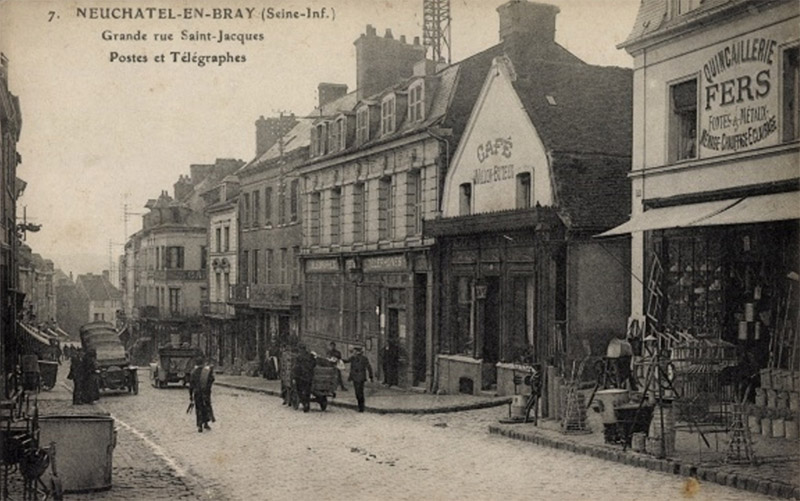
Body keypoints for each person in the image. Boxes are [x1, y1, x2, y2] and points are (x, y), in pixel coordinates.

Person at [189, 356, 216, 432]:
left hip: (197, 393)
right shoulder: (206, 372)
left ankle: (199, 425)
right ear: (203, 363)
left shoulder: (193, 372)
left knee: (199, 408)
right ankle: (206, 423)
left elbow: (191, 385)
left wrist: (190, 395)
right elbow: (212, 380)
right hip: (206, 392)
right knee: (205, 407)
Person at [346, 346, 373, 412]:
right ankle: (360, 406)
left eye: (355, 351)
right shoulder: (353, 358)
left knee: (359, 392)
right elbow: (346, 361)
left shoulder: (363, 358)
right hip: (357, 377)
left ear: (358, 352)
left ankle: (361, 407)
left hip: (360, 377)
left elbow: (369, 367)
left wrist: (371, 376)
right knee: (358, 392)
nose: (354, 352)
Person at [292, 345, 316, 412]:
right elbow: (314, 363)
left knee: (299, 390)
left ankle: (304, 403)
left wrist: (294, 376)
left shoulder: (299, 357)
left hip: (301, 377)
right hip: (309, 377)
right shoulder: (310, 356)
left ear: (301, 349)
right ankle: (307, 405)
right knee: (307, 391)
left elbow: (296, 367)